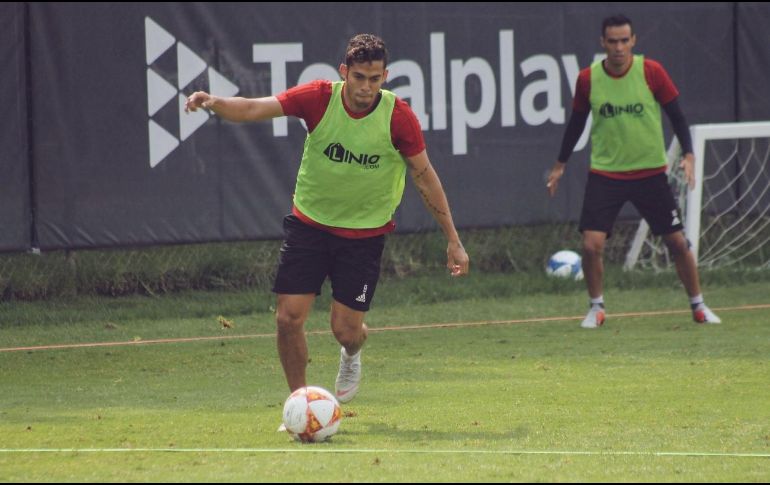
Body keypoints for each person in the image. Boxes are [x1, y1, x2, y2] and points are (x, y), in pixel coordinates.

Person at [185, 34, 470, 405]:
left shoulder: (399, 117)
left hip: (364, 236)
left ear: (385, 76)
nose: (366, 87)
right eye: (358, 77)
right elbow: (255, 108)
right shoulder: (319, 98)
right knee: (288, 319)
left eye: (374, 78)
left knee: (345, 330)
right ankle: (301, 405)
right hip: (310, 226)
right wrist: (214, 102)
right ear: (344, 73)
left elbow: (424, 175)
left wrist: (453, 239)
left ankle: (352, 353)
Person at [546, 15, 721, 328]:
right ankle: (596, 308)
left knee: (678, 243)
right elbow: (576, 124)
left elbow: (677, 116)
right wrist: (560, 165)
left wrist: (689, 155)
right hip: (606, 174)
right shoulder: (588, 79)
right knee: (590, 245)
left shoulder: (651, 72)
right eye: (612, 41)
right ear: (603, 43)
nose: (618, 47)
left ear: (633, 41)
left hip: (650, 173)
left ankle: (698, 306)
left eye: (624, 41)